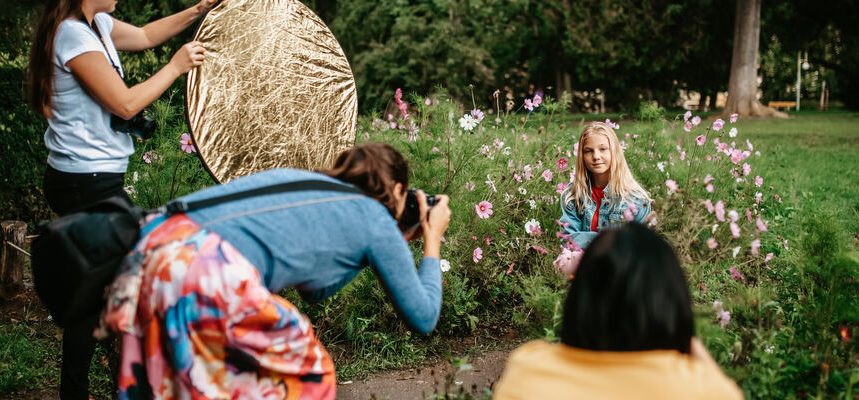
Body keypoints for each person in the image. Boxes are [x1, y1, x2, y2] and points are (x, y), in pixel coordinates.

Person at [99, 143, 451, 399]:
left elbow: (315, 290)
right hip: (206, 267)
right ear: (399, 190)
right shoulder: (375, 219)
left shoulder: (303, 182)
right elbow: (423, 318)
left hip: (152, 244)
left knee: (165, 383)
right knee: (313, 375)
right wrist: (430, 238)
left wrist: (388, 245)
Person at [26, 0, 214, 397]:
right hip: (84, 183)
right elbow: (125, 103)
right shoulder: (73, 35)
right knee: (114, 285)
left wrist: (197, 10)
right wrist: (176, 66)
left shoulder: (98, 25)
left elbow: (146, 36)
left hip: (94, 180)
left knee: (103, 288)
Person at [494, 223, 743, 400]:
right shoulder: (704, 390)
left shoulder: (528, 370)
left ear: (579, 298)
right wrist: (681, 332)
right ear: (670, 304)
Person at [558, 121, 652, 250]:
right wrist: (613, 242)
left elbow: (640, 247)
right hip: (583, 267)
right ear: (582, 155)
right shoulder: (573, 194)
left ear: (614, 151)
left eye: (603, 149)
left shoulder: (636, 199)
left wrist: (587, 240)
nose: (596, 156)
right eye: (588, 151)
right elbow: (567, 240)